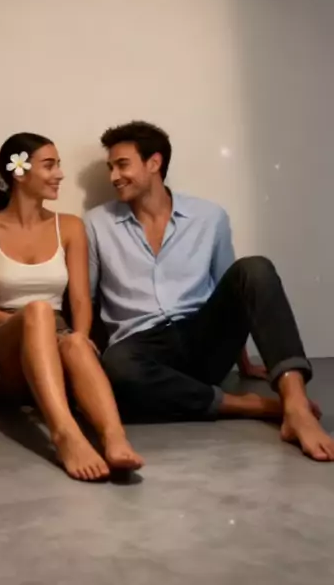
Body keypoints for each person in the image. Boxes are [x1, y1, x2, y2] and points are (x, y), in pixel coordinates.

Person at [85, 121, 334, 462]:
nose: (114, 176)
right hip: (141, 349)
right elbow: (86, 297)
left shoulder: (209, 216)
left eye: (122, 165)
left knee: (254, 268)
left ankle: (296, 406)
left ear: (154, 163)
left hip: (202, 338)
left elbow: (232, 287)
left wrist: (244, 362)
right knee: (116, 365)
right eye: (110, 167)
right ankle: (249, 406)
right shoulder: (96, 224)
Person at [0, 132, 144, 481]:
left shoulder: (69, 226)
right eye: (49, 165)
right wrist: (34, 324)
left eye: (59, 165)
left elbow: (80, 298)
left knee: (74, 342)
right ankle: (65, 434)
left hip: (53, 337)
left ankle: (114, 438)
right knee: (39, 311)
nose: (59, 174)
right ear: (19, 172)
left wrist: (80, 336)